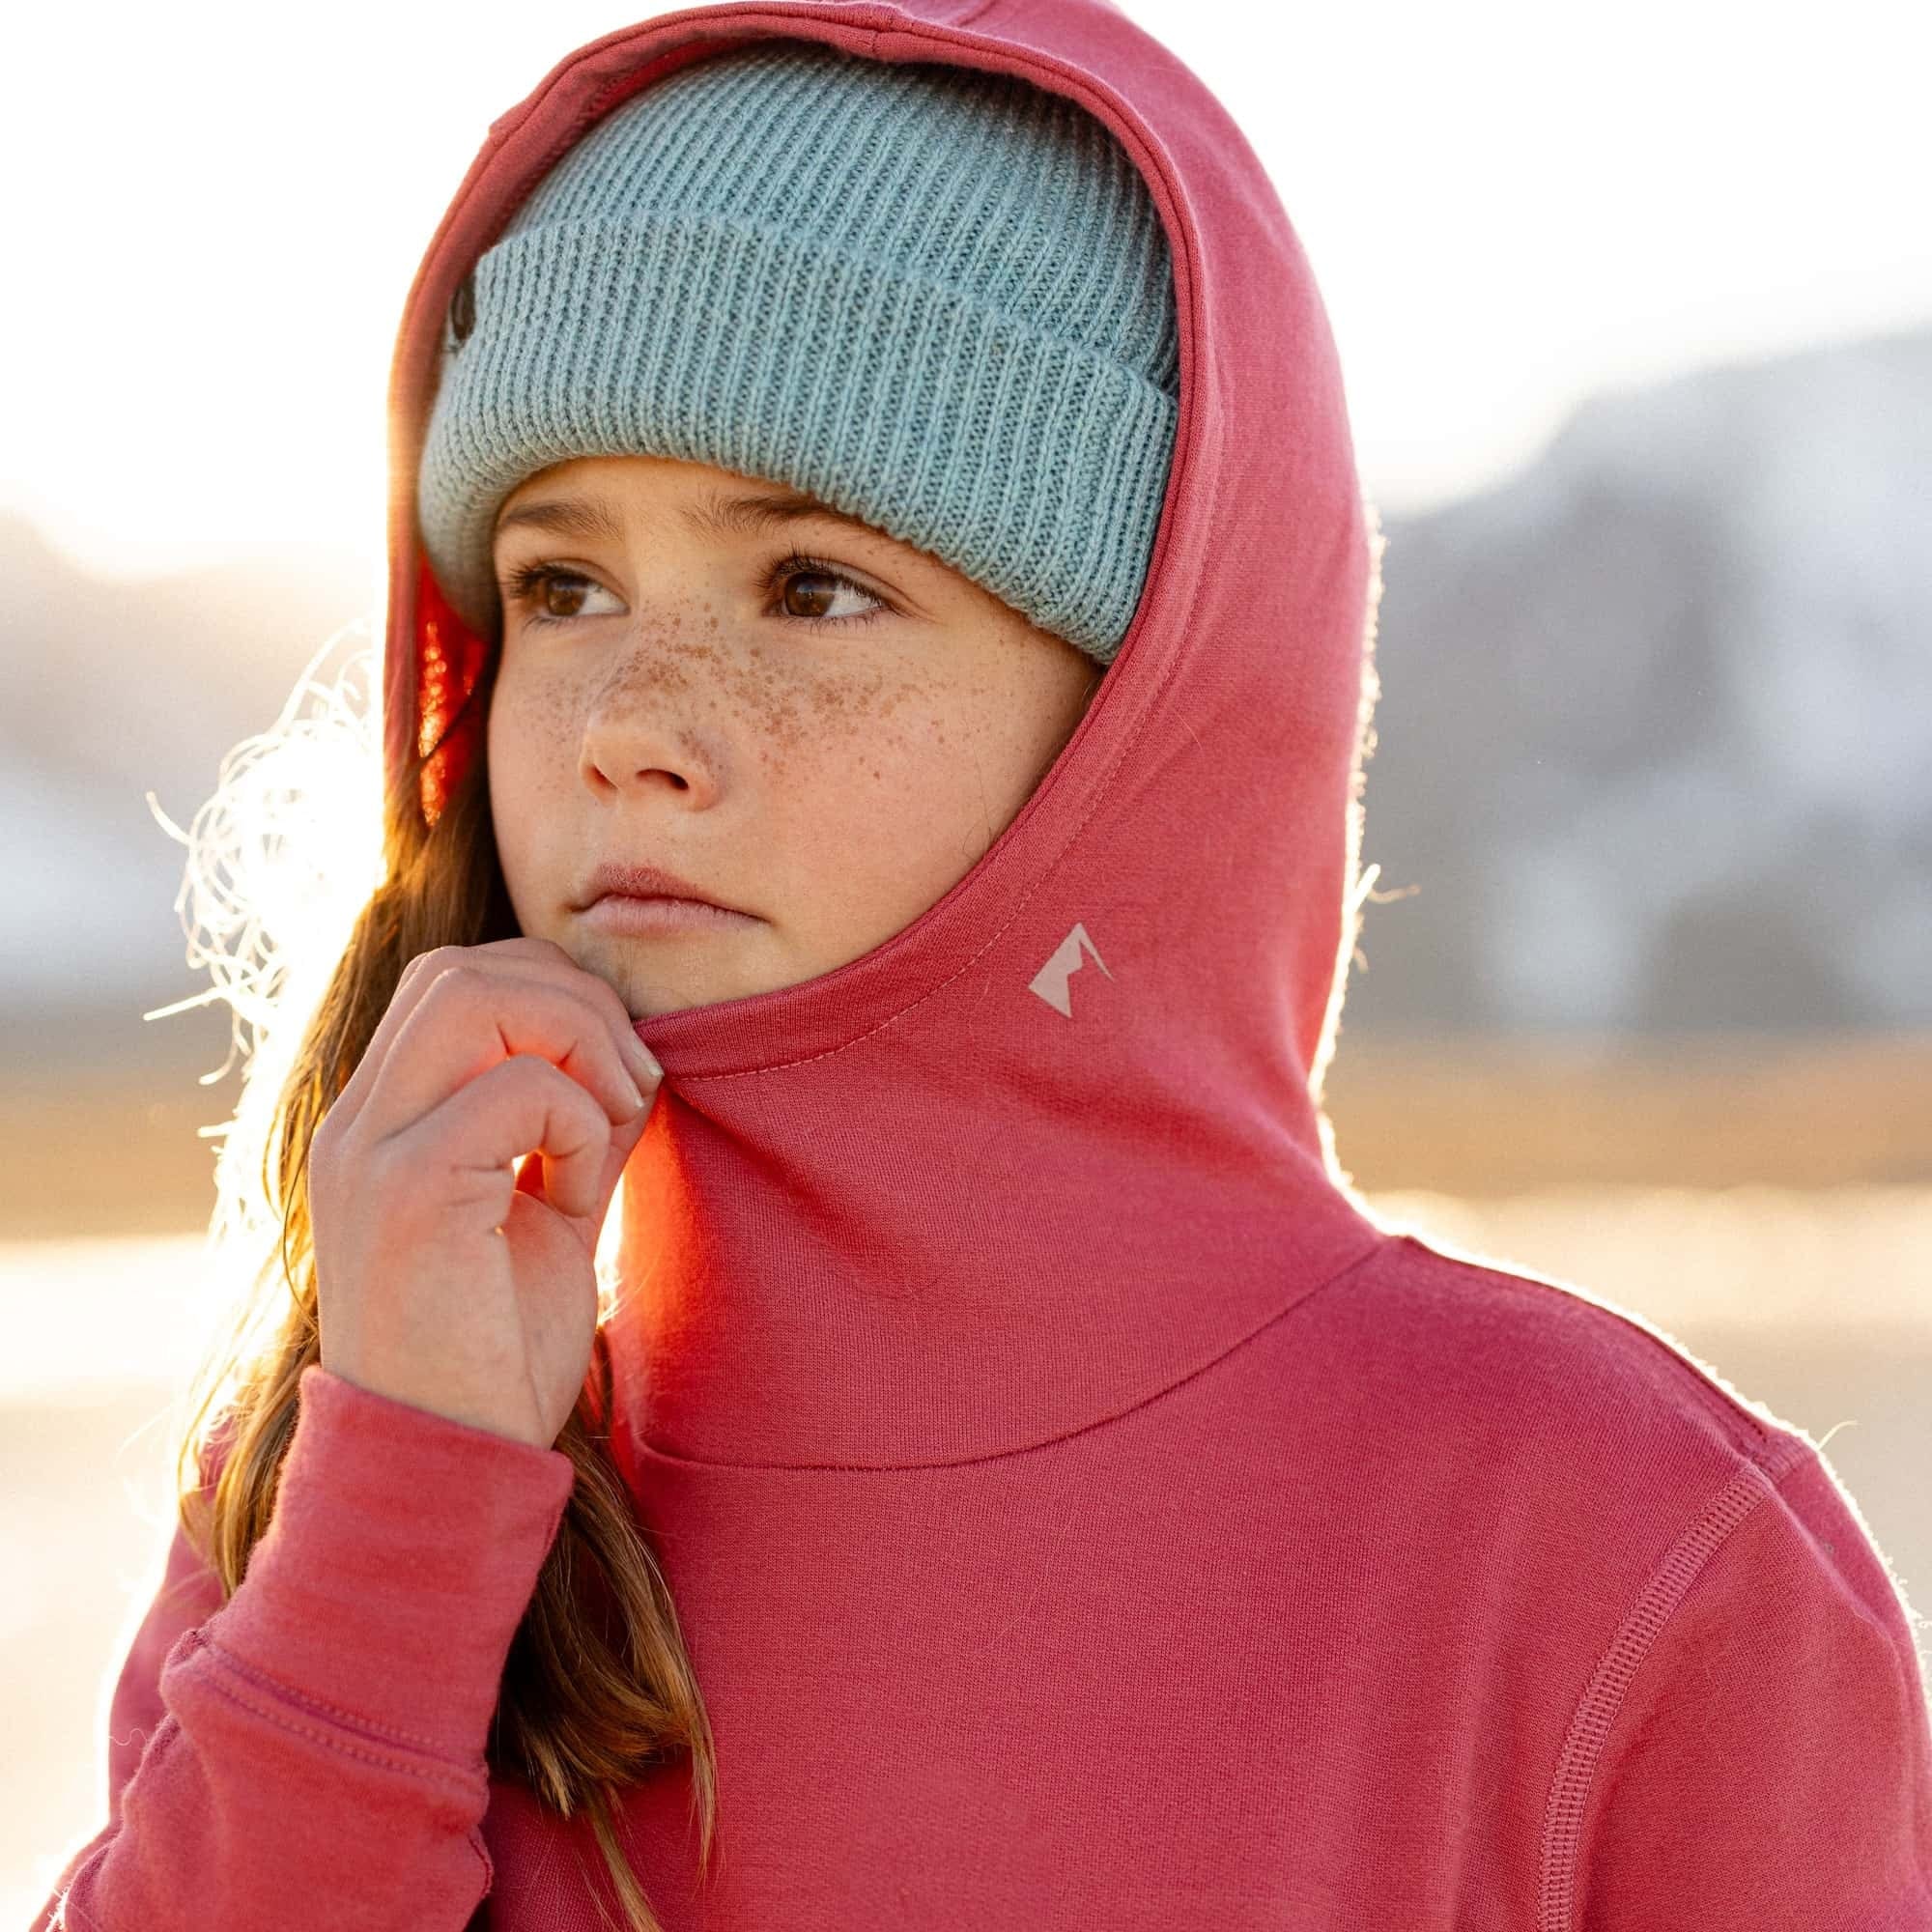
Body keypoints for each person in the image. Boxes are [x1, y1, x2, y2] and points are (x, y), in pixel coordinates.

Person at [34, 4, 1932, 1929]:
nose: (629, 721)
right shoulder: (348, 1485)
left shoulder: (1622, 1553)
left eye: (815, 588)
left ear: (1149, 715)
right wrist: (405, 1517)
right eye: (561, 585)